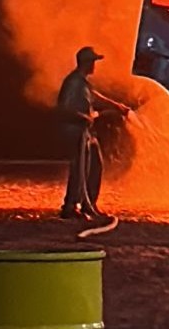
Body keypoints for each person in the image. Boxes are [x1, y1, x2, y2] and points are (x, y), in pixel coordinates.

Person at [56, 45, 129, 219]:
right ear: (87, 63)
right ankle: (70, 206)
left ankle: (88, 204)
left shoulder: (83, 83)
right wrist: (83, 117)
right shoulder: (73, 83)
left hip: (86, 132)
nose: (95, 65)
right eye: (93, 62)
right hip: (76, 131)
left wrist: (117, 106)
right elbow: (63, 109)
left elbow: (95, 96)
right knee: (80, 168)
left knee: (95, 165)